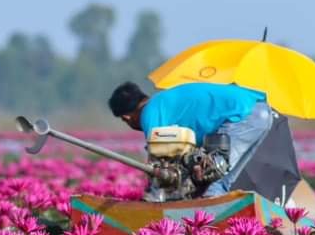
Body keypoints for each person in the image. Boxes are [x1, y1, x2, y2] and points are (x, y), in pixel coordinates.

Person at [108, 81, 274, 198]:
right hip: (259, 110)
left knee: (215, 178)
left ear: (127, 117)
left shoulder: (149, 114)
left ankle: (206, 217)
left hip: (243, 116)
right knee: (221, 180)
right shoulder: (161, 102)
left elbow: (157, 160)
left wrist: (154, 192)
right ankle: (211, 203)